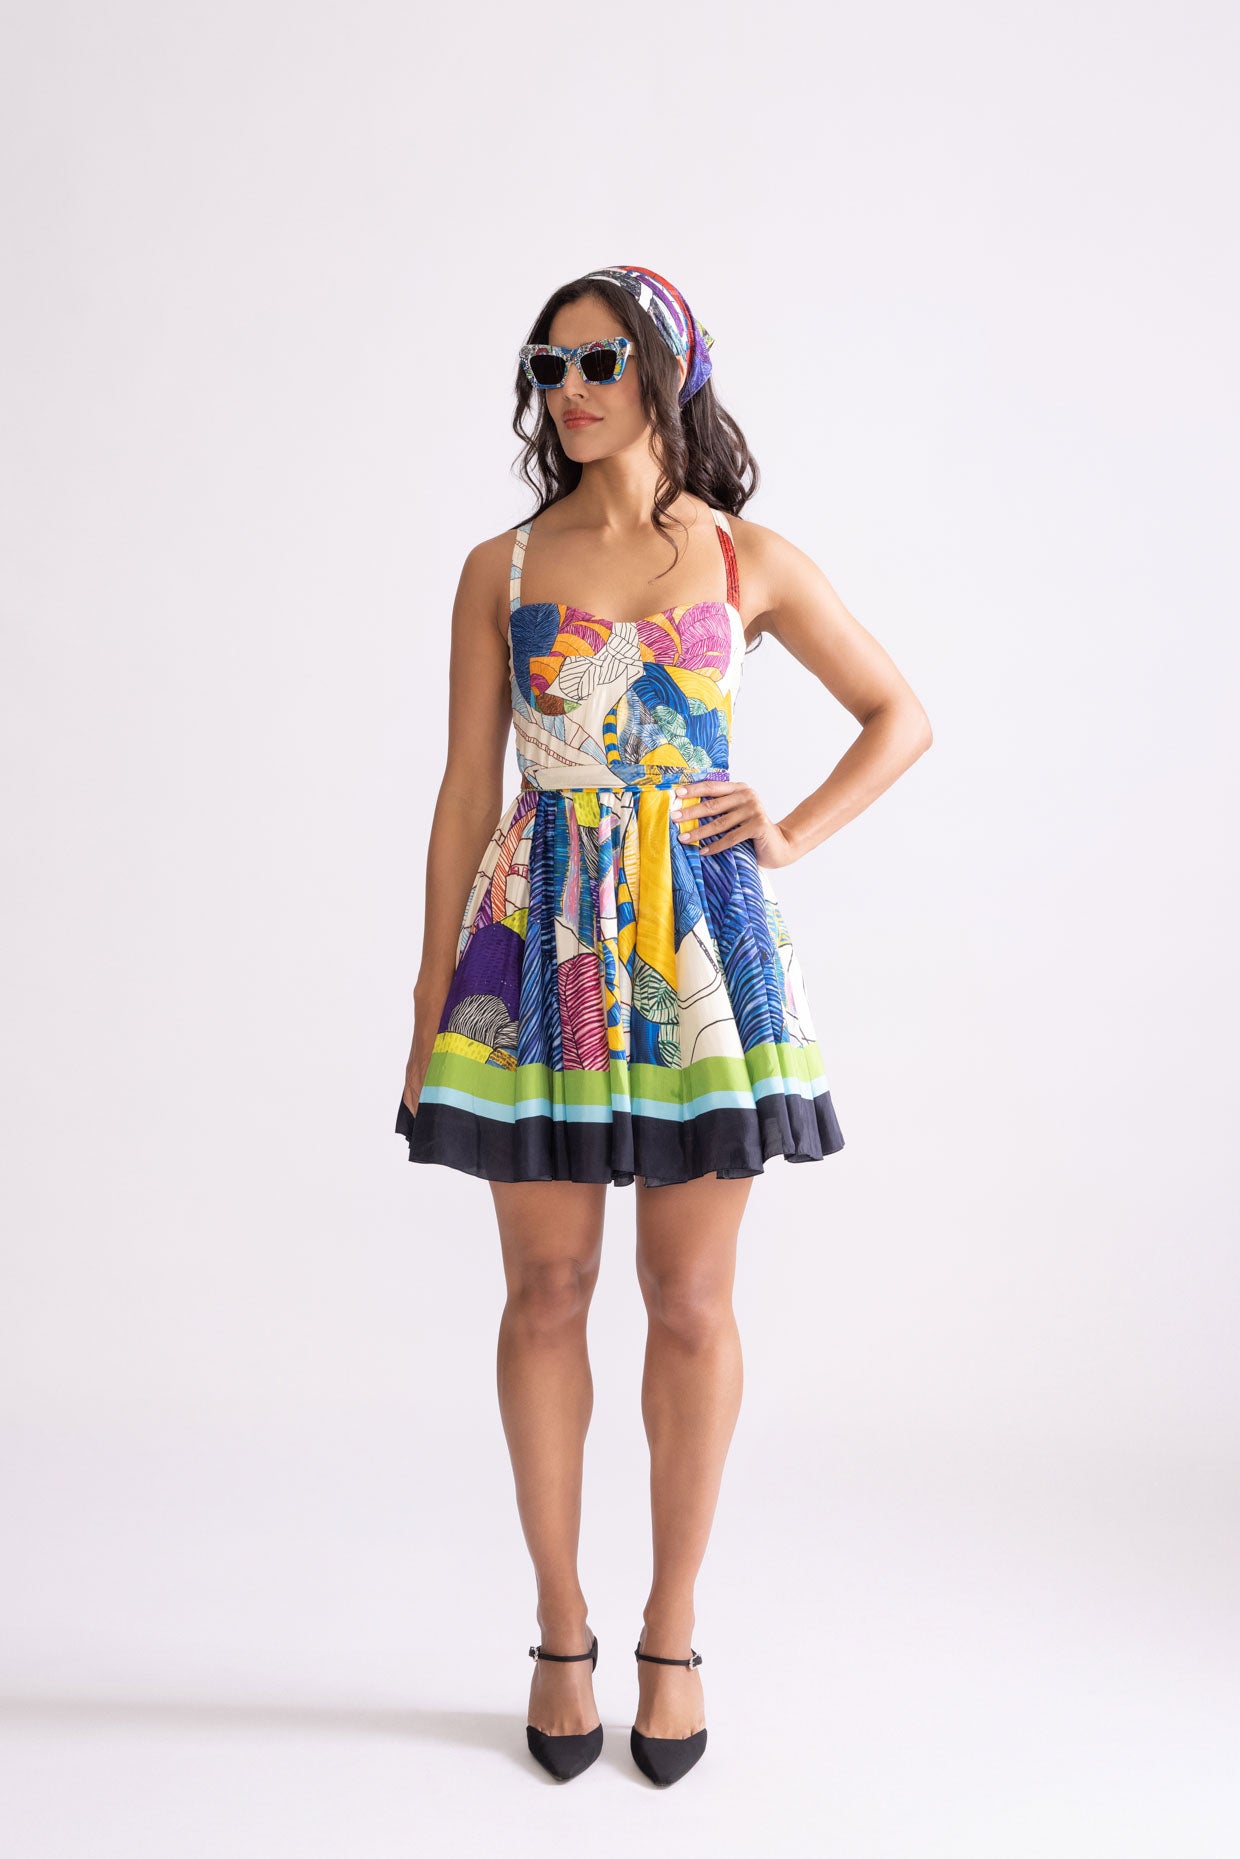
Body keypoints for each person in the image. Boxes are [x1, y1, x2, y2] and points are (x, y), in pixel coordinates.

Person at [395, 265, 932, 1786]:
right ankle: (560, 1628)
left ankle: (671, 1633)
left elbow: (900, 714)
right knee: (545, 1291)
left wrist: (791, 830)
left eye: (599, 362)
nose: (569, 390)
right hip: (537, 946)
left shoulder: (747, 556)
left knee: (690, 1302)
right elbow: (465, 791)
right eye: (548, 365)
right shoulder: (500, 567)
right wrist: (430, 994)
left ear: (666, 371)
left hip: (698, 951)